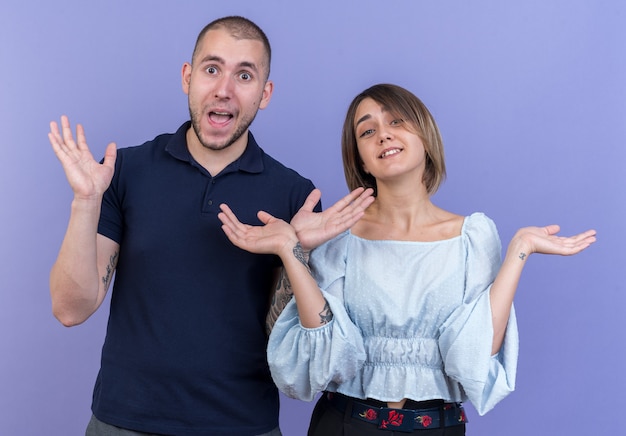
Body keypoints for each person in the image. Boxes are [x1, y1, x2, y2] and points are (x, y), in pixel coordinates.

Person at [47, 15, 374, 436]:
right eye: (212, 69)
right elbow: (70, 309)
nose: (224, 89)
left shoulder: (295, 195)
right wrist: (86, 200)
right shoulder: (125, 171)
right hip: (123, 421)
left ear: (265, 93)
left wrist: (295, 249)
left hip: (242, 424)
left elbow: (288, 343)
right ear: (188, 76)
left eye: (244, 75)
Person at [217, 83, 597, 435]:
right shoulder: (338, 234)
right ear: (362, 160)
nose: (383, 134)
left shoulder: (474, 236)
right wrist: (293, 248)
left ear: (425, 138)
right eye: (367, 131)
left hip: (438, 426)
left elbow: (476, 354)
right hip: (346, 423)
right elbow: (322, 353)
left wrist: (520, 249)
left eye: (397, 121)